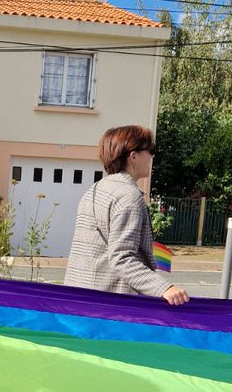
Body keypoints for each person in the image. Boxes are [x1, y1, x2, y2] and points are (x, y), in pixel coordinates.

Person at [64, 125, 190, 305]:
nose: (152, 157)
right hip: (109, 304)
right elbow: (122, 258)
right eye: (150, 151)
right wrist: (164, 288)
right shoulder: (128, 197)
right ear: (133, 156)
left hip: (80, 297)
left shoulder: (95, 190)